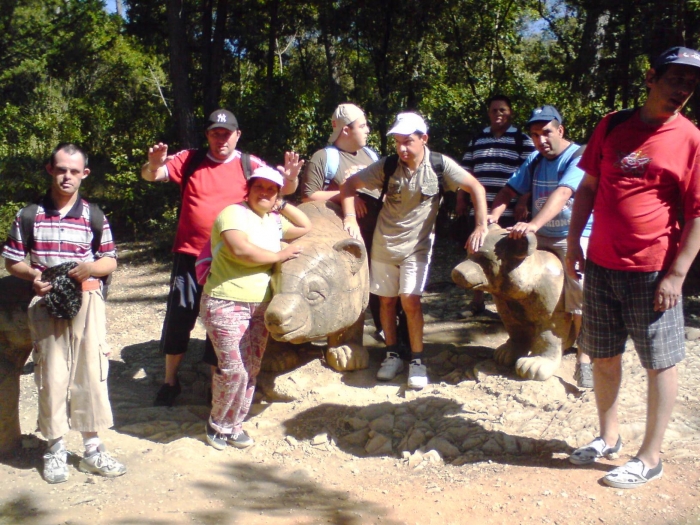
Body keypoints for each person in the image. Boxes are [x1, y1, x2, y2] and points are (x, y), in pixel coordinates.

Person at [565, 46, 700, 488]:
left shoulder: (690, 138)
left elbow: (697, 213)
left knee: (660, 364)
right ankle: (608, 437)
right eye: (675, 79)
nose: (683, 89)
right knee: (603, 356)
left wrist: (678, 273)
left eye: (690, 82)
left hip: (653, 271)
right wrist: (573, 241)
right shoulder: (612, 125)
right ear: (651, 77)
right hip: (602, 264)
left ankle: (651, 456)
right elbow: (587, 187)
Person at [141, 109, 303, 406]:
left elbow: (276, 188)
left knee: (224, 319)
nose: (221, 139)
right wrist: (152, 165)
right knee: (180, 317)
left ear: (237, 135)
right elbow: (154, 174)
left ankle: (215, 384)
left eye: (226, 133)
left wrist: (291, 180)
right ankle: (170, 381)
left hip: (230, 259)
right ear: (208, 135)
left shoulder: (248, 163)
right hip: (190, 254)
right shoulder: (190, 159)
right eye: (215, 133)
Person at [2, 143, 126, 483]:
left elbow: (111, 258)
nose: (67, 176)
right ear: (50, 170)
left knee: (91, 374)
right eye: (61, 169)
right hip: (45, 304)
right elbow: (13, 260)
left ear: (84, 174)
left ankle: (93, 450)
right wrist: (34, 277)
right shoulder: (30, 215)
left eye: (74, 171)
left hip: (88, 302)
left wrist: (91, 268)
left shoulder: (94, 215)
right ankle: (54, 448)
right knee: (51, 376)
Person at [340, 112, 488, 390]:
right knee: (385, 301)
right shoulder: (387, 166)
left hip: (417, 247)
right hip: (384, 244)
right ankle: (392, 354)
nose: (402, 148)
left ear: (424, 139)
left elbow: (475, 187)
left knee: (410, 300)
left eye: (408, 141)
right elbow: (349, 185)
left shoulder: (439, 165)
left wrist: (480, 226)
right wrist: (350, 216)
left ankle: (418, 360)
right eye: (397, 142)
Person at [201, 166, 311, 449]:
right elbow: (240, 250)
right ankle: (217, 424)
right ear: (248, 189)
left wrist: (282, 203)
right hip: (226, 301)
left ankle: (235, 424)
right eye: (259, 186)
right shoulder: (233, 214)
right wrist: (280, 254)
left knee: (251, 367)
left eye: (271, 189)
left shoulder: (273, 221)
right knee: (233, 368)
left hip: (260, 305)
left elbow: (305, 225)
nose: (264, 192)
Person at [488, 104, 593, 388]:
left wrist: (533, 224)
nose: (541, 140)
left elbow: (563, 192)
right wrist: (492, 217)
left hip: (575, 234)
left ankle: (585, 357)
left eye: (546, 132)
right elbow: (510, 190)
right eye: (535, 134)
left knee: (578, 289)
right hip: (543, 233)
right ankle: (521, 338)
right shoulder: (534, 159)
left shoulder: (578, 156)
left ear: (560, 130)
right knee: (509, 277)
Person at [301, 103, 398, 341]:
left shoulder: (372, 155)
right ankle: (338, 334)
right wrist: (346, 196)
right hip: (343, 234)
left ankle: (387, 330)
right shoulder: (324, 158)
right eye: (362, 126)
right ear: (346, 130)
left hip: (377, 230)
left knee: (379, 281)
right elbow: (307, 196)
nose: (367, 130)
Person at [458, 95, 535, 317]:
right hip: (480, 209)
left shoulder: (522, 140)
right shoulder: (477, 139)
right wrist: (461, 199)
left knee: (507, 254)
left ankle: (510, 305)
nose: (498, 114)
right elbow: (466, 171)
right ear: (488, 113)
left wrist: (523, 201)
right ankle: (477, 301)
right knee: (477, 250)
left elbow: (530, 173)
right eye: (494, 110)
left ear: (510, 112)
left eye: (502, 110)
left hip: (510, 208)